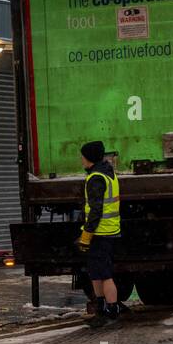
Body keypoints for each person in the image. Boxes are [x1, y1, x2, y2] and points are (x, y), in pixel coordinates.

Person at [77, 140, 122, 329]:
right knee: (96, 273)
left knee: (104, 274)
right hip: (108, 230)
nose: (81, 159)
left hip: (100, 232)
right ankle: (102, 308)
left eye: (83, 156)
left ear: (89, 158)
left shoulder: (96, 178)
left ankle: (111, 311)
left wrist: (86, 235)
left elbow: (95, 210)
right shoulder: (108, 173)